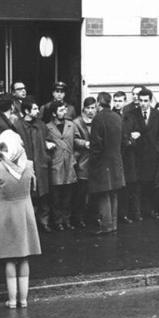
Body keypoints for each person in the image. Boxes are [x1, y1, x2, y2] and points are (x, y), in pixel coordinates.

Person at [0, 130, 41, 308]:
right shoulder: (29, 165)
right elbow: (34, 187)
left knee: (10, 259)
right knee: (24, 257)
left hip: (7, 213)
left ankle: (12, 300)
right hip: (25, 211)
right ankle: (24, 300)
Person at [14, 97, 54, 233]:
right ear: (26, 111)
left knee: (43, 195)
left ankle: (44, 222)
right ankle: (29, 224)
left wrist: (47, 151)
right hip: (25, 165)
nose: (38, 111)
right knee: (28, 195)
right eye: (35, 108)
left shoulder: (41, 125)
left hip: (41, 164)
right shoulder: (18, 126)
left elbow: (48, 138)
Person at [87, 92, 125, 235]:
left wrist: (93, 161)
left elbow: (96, 144)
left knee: (103, 193)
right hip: (116, 160)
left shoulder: (98, 118)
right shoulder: (117, 117)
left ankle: (106, 225)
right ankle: (113, 223)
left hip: (102, 162)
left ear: (98, 103)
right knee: (114, 192)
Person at [45, 100, 82, 231]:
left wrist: (74, 157)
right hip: (56, 165)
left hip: (69, 165)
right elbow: (44, 144)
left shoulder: (71, 125)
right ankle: (57, 221)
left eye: (64, 109)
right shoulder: (47, 127)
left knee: (68, 195)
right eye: (61, 110)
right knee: (56, 197)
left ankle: (67, 220)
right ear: (54, 113)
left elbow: (77, 141)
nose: (64, 112)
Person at [132, 88, 159, 220]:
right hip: (138, 155)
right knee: (138, 184)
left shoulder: (157, 114)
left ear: (150, 101)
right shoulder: (132, 114)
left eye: (146, 101)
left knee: (152, 184)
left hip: (152, 155)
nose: (143, 104)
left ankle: (151, 210)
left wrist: (158, 150)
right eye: (141, 101)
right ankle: (138, 212)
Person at [72, 97, 96, 229]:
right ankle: (78, 218)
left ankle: (91, 216)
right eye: (88, 108)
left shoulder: (97, 120)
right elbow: (74, 139)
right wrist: (85, 143)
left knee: (93, 192)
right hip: (83, 160)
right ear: (84, 109)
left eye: (93, 108)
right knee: (81, 192)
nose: (91, 111)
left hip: (95, 162)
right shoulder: (77, 122)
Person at [112, 91, 135, 224]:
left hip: (128, 155)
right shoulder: (112, 115)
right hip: (116, 154)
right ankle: (115, 214)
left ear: (125, 101)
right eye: (115, 100)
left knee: (127, 185)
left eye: (120, 101)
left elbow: (136, 132)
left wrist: (131, 140)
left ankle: (124, 214)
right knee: (116, 185)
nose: (117, 103)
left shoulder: (129, 116)